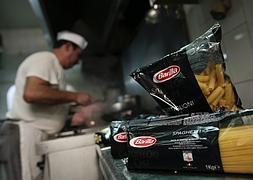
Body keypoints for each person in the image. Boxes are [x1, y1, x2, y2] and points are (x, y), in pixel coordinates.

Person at [4, 31, 94, 180]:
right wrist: (76, 96)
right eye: (78, 55)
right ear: (68, 47)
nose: (77, 62)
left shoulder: (53, 66)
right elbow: (32, 93)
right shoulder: (46, 59)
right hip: (24, 134)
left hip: (32, 134)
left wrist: (71, 108)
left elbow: (46, 99)